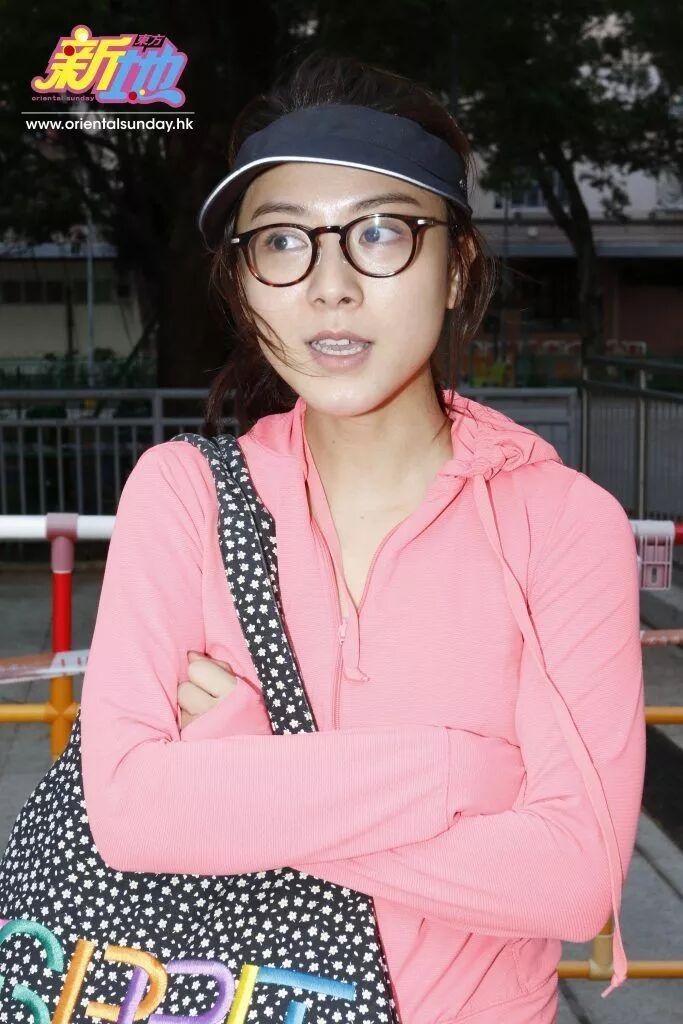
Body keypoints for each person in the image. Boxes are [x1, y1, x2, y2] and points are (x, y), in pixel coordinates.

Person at [80, 51, 646, 1023]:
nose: (329, 287)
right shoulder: (183, 496)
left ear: (455, 266)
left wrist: (247, 768)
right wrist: (455, 770)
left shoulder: (560, 526)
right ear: (243, 281)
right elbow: (131, 814)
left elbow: (569, 881)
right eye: (281, 242)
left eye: (380, 232)